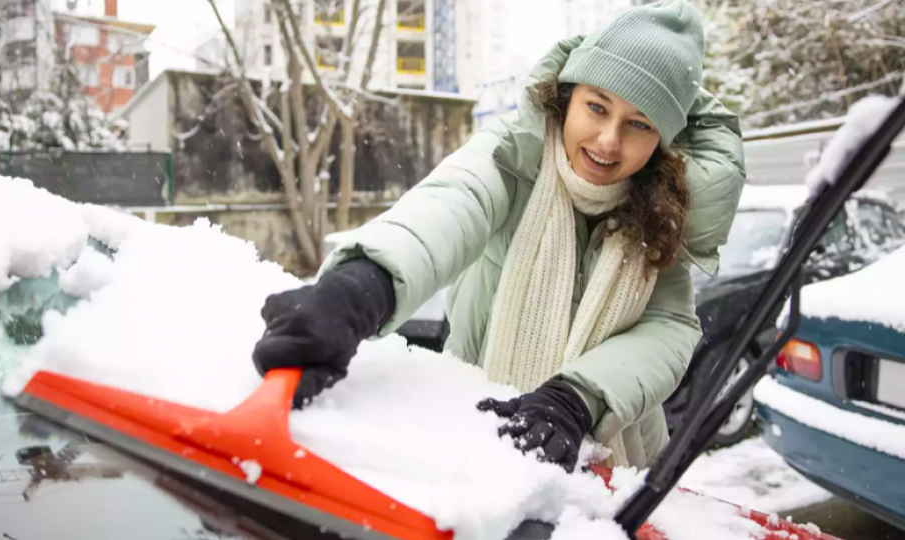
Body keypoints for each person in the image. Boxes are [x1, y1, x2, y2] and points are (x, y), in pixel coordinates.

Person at [253, 0, 745, 472]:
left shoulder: (663, 208)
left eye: (639, 124)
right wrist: (362, 286)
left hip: (613, 458)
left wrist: (577, 398)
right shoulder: (516, 155)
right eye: (597, 107)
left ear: (662, 141)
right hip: (477, 427)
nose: (608, 140)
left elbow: (670, 328)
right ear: (569, 96)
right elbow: (454, 203)